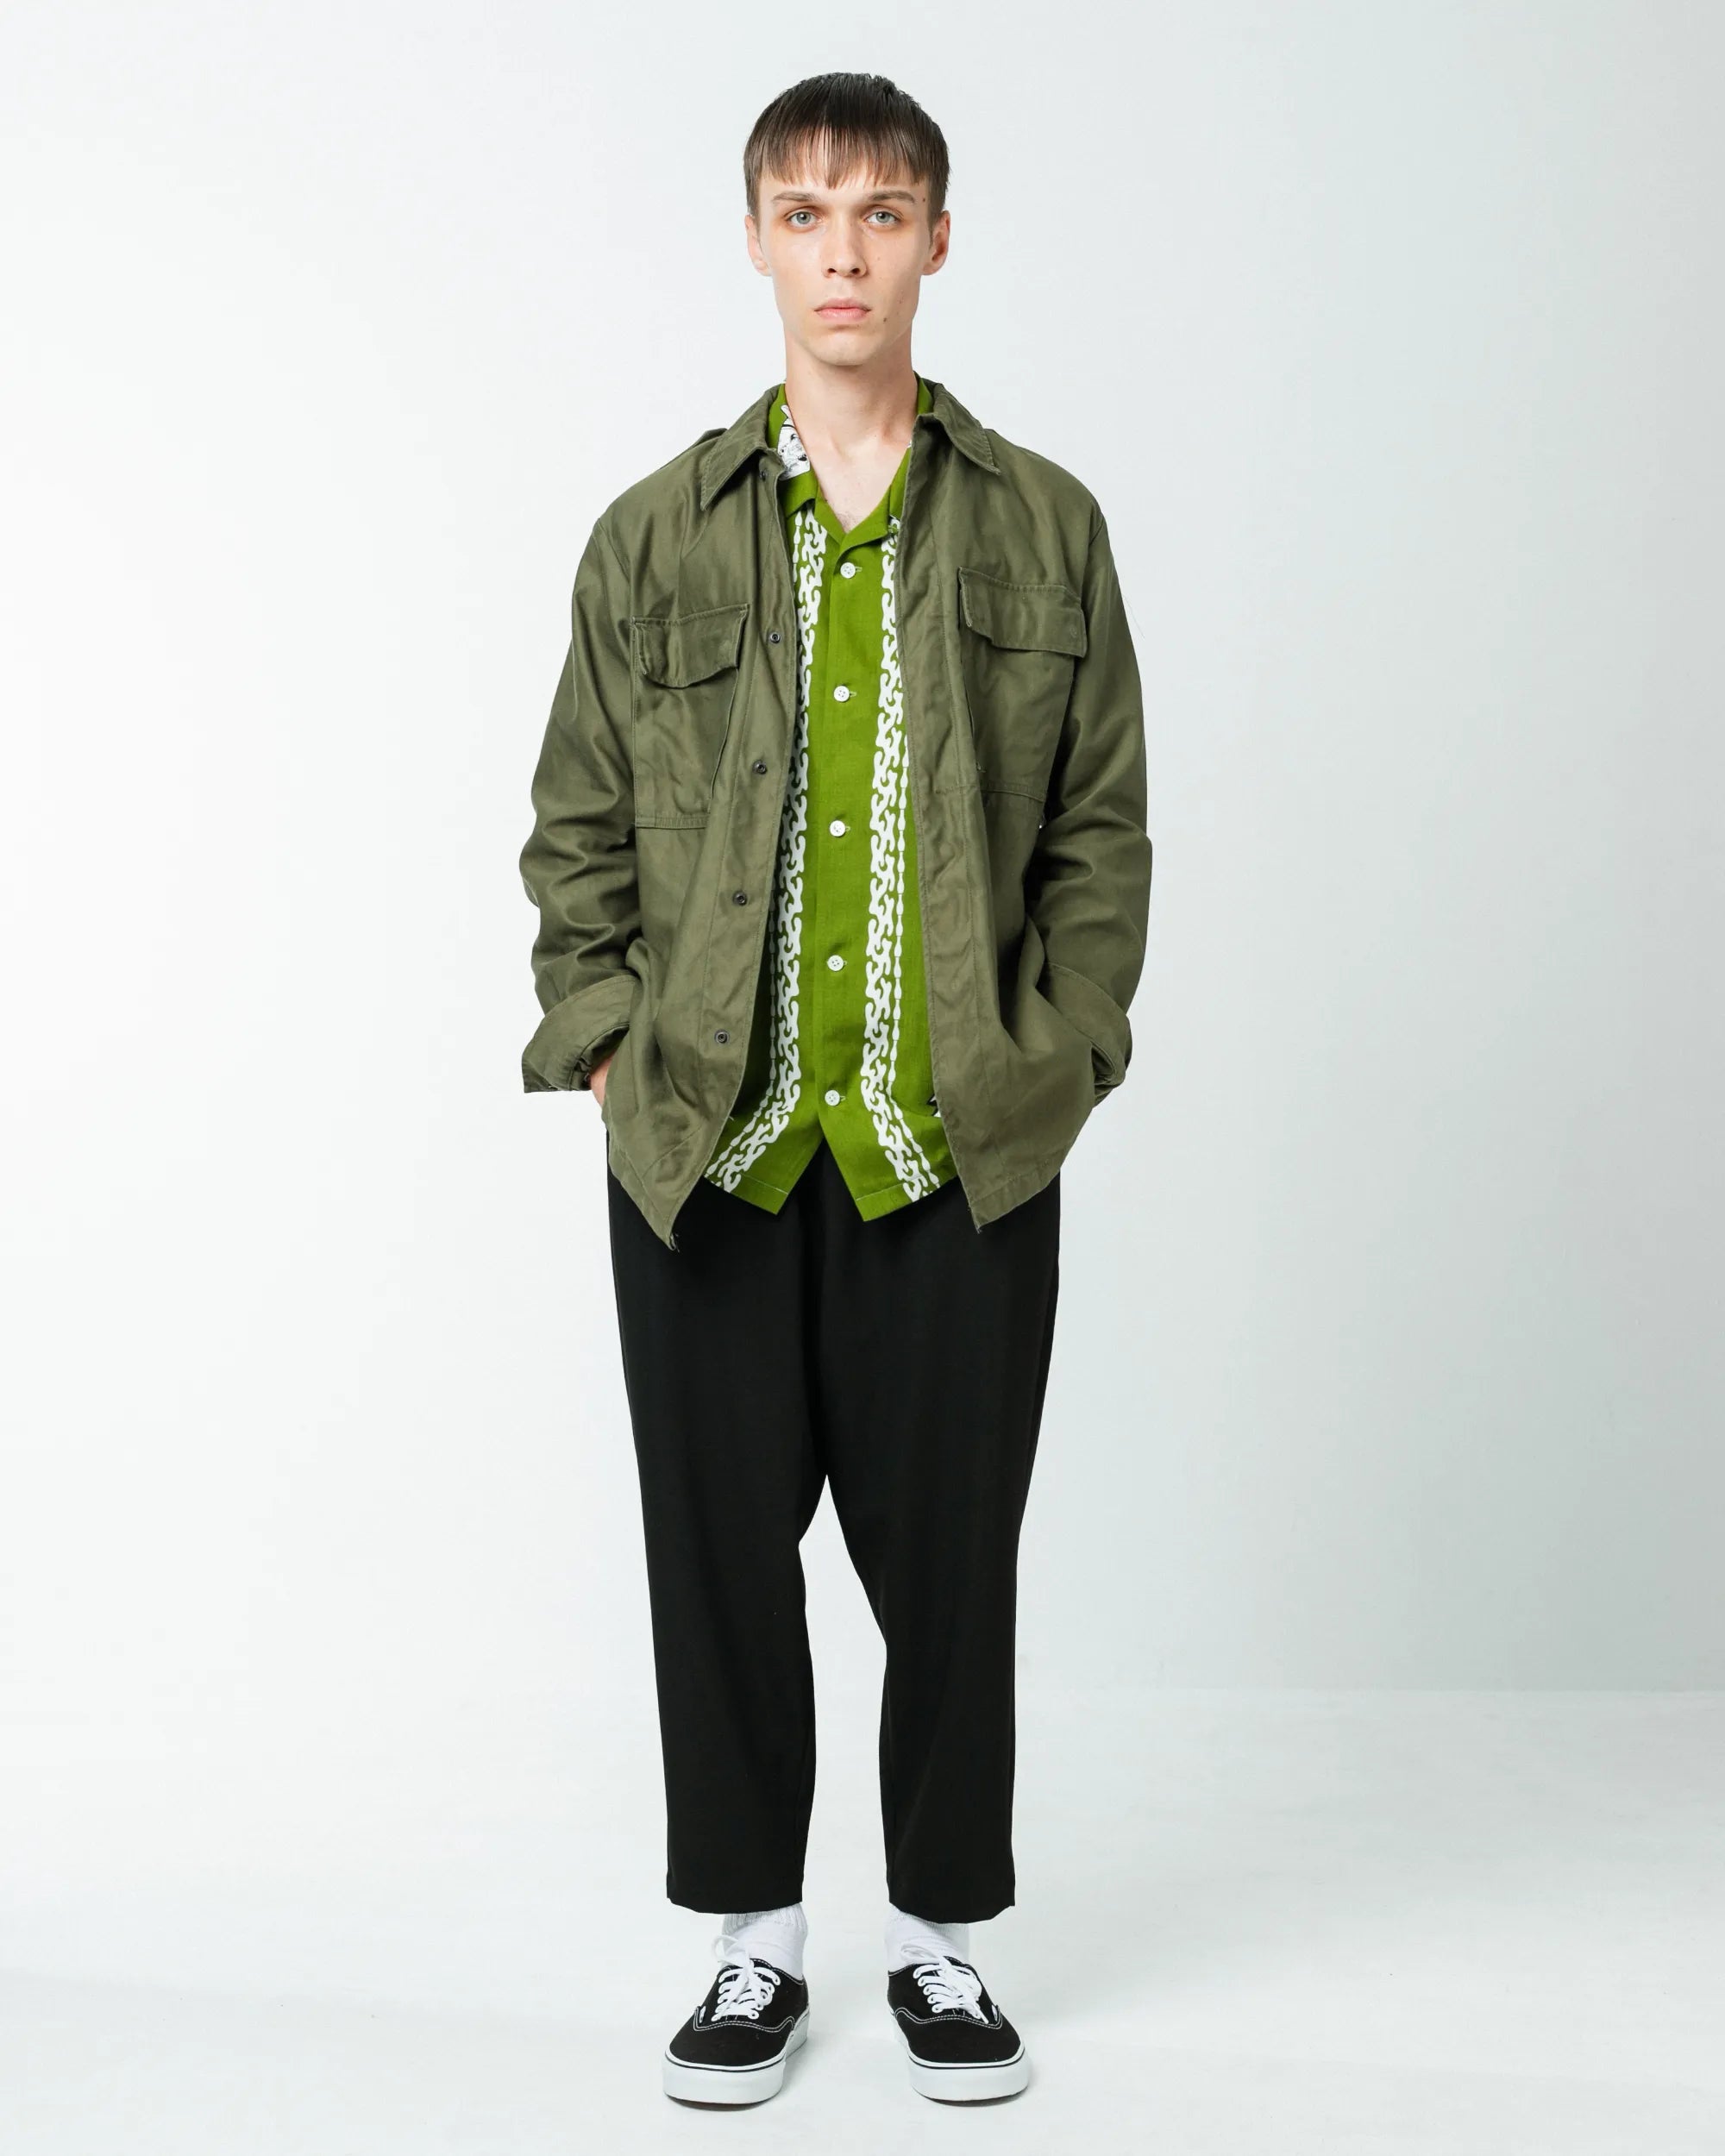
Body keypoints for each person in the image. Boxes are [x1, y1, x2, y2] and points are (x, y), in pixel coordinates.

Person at [519, 71, 1151, 2108]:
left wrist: (1061, 1052)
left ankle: (943, 1942)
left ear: (937, 240)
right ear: (755, 242)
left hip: (951, 1148)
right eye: (803, 213)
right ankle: (753, 1943)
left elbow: (1100, 830)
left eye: (881, 213)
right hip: (705, 1143)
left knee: (952, 1563)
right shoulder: (653, 533)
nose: (844, 253)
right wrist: (608, 1040)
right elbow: (574, 825)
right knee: (716, 1559)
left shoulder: (1044, 523)